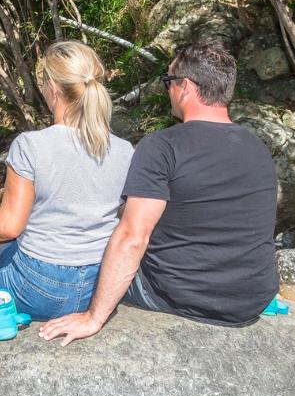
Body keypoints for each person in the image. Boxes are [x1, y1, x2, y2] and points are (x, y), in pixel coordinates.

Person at [39, 40, 280, 345]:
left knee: (96, 253)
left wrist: (94, 318)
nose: (167, 89)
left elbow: (132, 238)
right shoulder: (257, 147)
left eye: (168, 81)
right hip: (250, 300)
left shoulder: (163, 147)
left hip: (182, 296)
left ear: (185, 87)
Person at [0, 40, 134, 320]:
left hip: (41, 291)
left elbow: (8, 226)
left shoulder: (31, 145)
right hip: (98, 287)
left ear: (53, 87)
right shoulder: (125, 150)